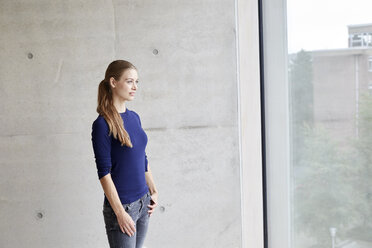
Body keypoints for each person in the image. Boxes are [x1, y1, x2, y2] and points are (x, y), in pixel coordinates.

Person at [91, 60, 158, 248]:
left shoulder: (134, 117)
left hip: (143, 202)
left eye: (137, 82)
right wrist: (120, 213)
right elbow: (104, 174)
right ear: (113, 82)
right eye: (129, 81)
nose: (135, 87)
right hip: (123, 208)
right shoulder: (102, 125)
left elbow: (142, 157)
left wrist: (153, 189)